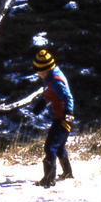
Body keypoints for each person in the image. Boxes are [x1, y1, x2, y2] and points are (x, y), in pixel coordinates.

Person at [33, 48, 75, 188]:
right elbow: (51, 94)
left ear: (44, 70)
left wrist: (68, 113)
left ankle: (48, 180)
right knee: (59, 147)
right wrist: (42, 102)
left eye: (39, 71)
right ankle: (68, 174)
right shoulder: (50, 77)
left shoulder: (55, 80)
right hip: (59, 117)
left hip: (62, 119)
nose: (37, 74)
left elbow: (67, 97)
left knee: (50, 147)